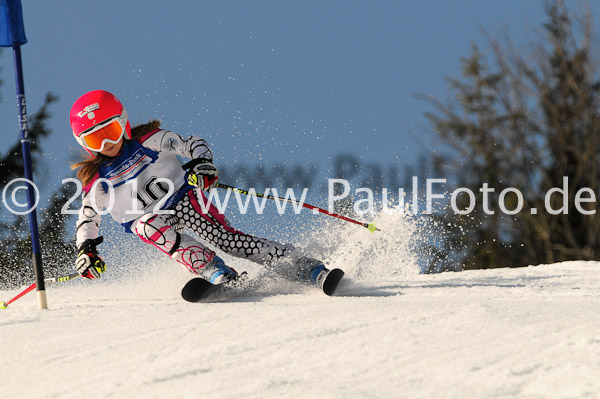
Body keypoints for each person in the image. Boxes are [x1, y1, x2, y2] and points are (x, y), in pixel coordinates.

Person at [70, 89, 334, 290]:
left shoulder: (147, 141)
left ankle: (302, 266)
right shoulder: (97, 179)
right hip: (150, 218)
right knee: (147, 227)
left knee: (228, 241)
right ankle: (211, 269)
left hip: (183, 198)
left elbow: (191, 144)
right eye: (95, 138)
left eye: (111, 131)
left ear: (123, 122)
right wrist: (86, 249)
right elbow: (88, 217)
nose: (107, 143)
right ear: (84, 144)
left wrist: (203, 164)